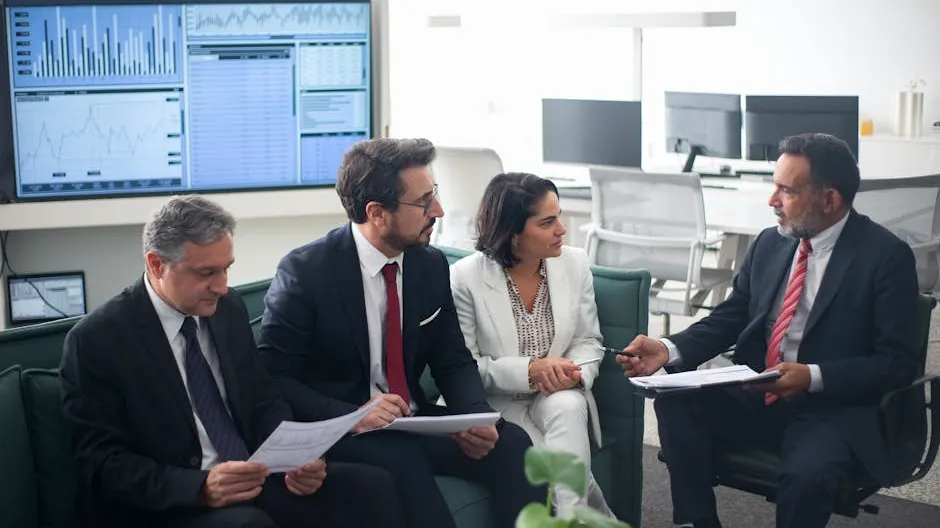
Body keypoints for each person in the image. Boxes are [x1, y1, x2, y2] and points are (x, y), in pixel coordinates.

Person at [617, 133, 921, 528]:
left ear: (829, 199)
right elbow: (733, 314)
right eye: (774, 186)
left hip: (832, 407)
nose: (772, 200)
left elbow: (897, 363)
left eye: (787, 190)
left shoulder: (885, 257)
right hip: (757, 388)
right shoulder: (770, 243)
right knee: (676, 406)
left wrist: (812, 377)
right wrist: (667, 347)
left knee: (806, 475)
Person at [60, 195, 406, 528]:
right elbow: (101, 464)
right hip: (171, 501)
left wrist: (297, 458)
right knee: (248, 524)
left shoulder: (228, 309)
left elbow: (262, 399)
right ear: (156, 264)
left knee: (372, 487)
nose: (222, 287)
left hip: (251, 476)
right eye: (206, 273)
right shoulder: (98, 341)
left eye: (226, 269)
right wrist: (200, 487)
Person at [258, 138, 545, 528]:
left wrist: (472, 416)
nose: (439, 210)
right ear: (376, 213)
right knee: (400, 460)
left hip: (414, 421)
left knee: (513, 445)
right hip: (345, 429)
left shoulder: (429, 264)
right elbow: (273, 376)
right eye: (424, 202)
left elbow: (452, 359)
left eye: (435, 194)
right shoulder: (306, 273)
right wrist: (353, 416)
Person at [449, 172, 614, 518]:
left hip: (557, 394)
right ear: (513, 233)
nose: (562, 230)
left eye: (559, 217)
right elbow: (462, 366)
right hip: (498, 401)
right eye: (548, 222)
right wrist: (528, 371)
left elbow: (588, 340)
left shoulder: (574, 263)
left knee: (568, 405)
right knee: (561, 475)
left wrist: (574, 374)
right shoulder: (465, 278)